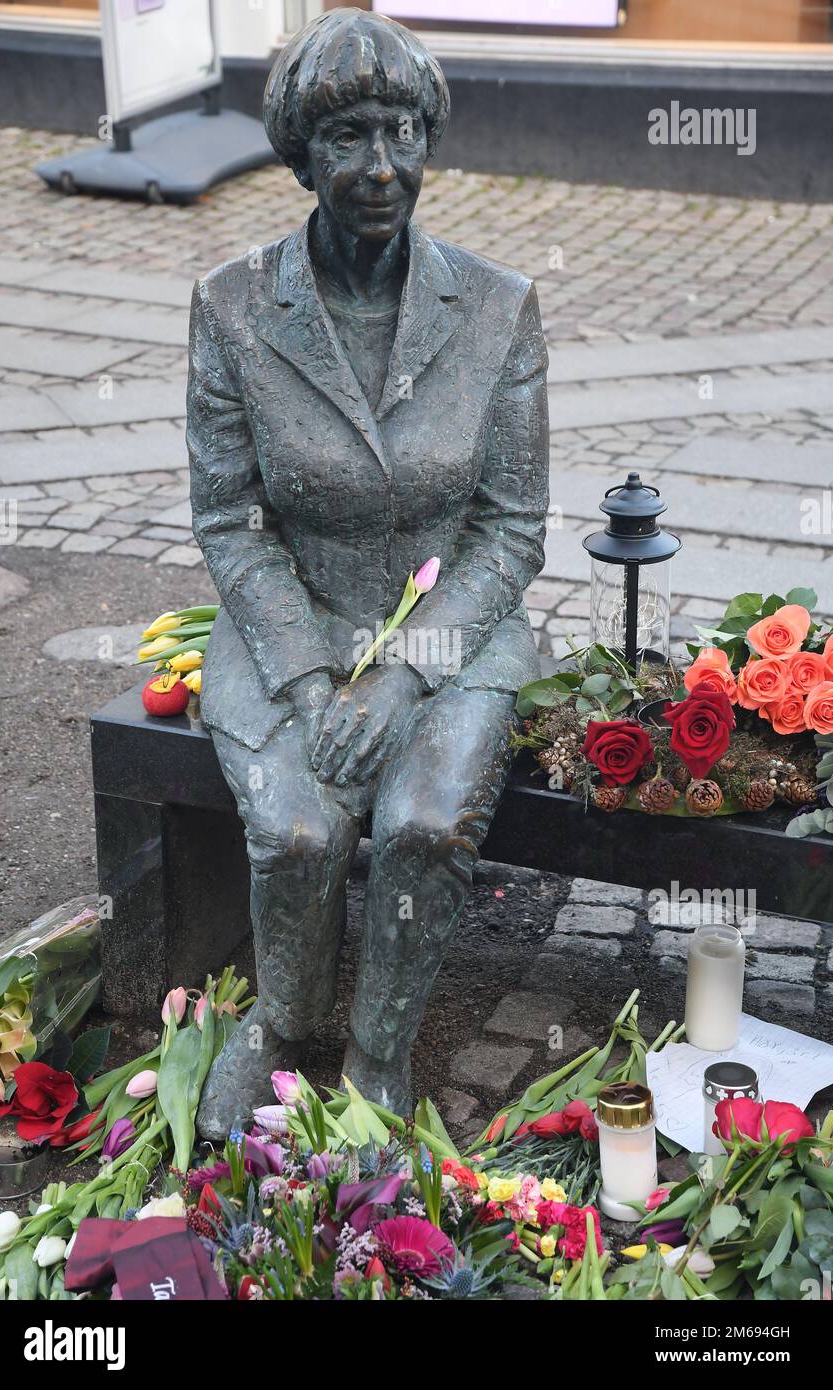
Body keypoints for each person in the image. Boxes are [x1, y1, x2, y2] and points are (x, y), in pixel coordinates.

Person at [188, 8, 549, 1137]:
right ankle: (288, 1022)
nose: (381, 165)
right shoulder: (234, 306)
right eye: (346, 138)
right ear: (300, 154)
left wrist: (404, 676)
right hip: (292, 623)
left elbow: (509, 528)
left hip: (451, 629)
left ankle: (378, 1052)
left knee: (424, 821)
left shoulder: (495, 308)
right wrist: (307, 682)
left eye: (400, 131)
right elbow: (229, 519)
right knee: (297, 831)